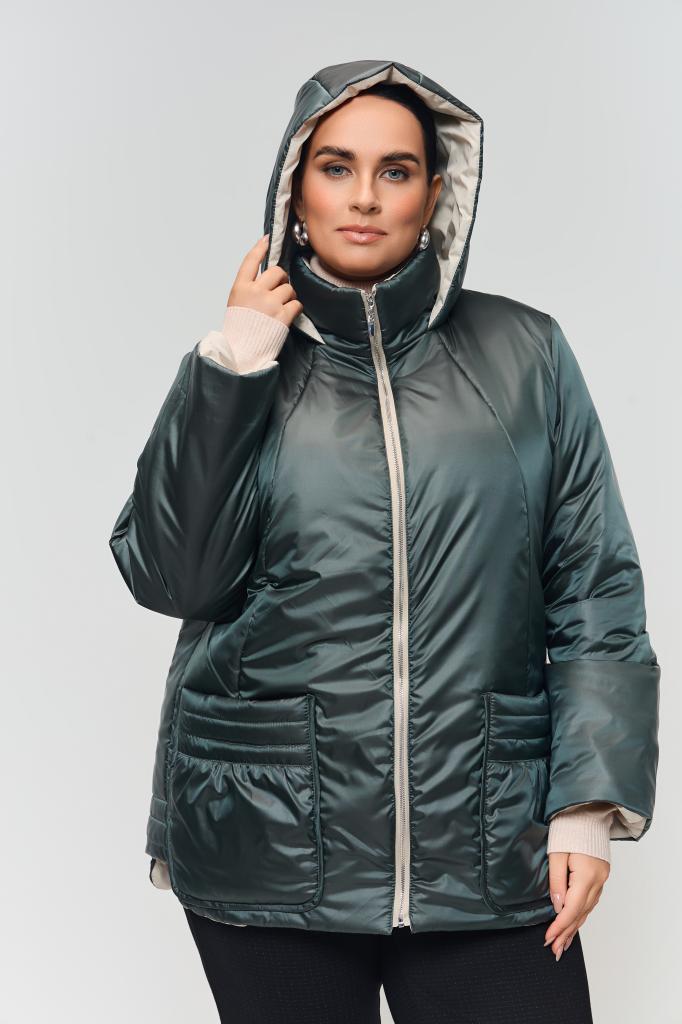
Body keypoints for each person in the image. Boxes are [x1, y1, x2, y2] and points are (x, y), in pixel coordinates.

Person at [109, 59, 660, 1022]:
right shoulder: (241, 365)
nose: (364, 196)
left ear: (435, 193)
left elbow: (594, 589)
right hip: (269, 841)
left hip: (485, 842)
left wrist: (586, 804)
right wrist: (236, 364)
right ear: (296, 188)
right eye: (337, 167)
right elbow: (175, 577)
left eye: (395, 170)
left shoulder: (526, 355)